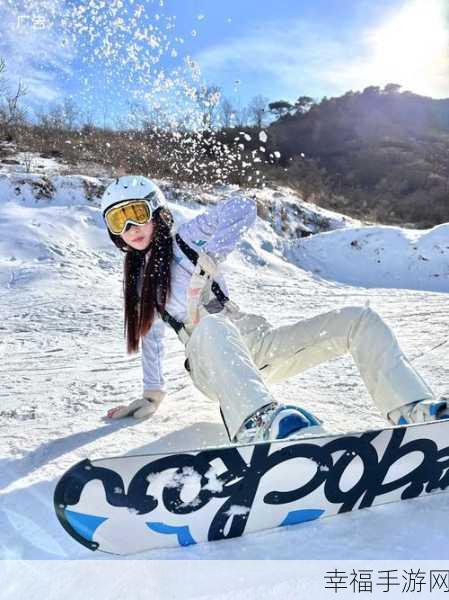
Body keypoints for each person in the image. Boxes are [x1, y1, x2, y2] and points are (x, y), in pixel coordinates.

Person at [101, 174, 448, 443]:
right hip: (211, 361)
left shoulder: (187, 238)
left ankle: (411, 410)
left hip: (256, 344)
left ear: (156, 210)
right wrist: (152, 392)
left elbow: (243, 207)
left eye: (135, 214)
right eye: (119, 222)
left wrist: (208, 260)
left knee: (359, 320)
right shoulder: (139, 283)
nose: (130, 228)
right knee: (211, 325)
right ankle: (258, 423)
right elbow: (150, 338)